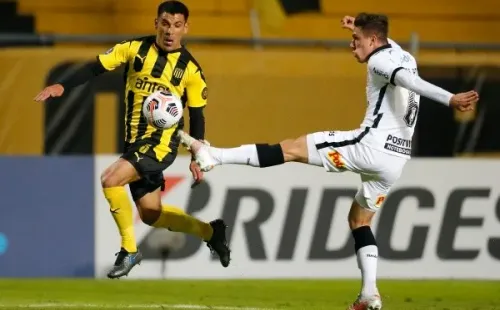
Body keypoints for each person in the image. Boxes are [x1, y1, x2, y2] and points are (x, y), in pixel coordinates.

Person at [177, 13, 478, 310]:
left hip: (368, 147)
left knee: (290, 149)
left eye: (356, 39)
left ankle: (213, 156)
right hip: (396, 160)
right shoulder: (404, 55)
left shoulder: (379, 60)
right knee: (359, 220)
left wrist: (449, 99)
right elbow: (400, 64)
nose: (352, 45)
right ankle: (369, 293)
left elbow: (407, 81)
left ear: (374, 40)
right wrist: (357, 27)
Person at [34, 0, 230, 279]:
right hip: (135, 143)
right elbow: (95, 68)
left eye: (176, 25)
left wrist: (198, 156)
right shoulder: (133, 49)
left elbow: (197, 116)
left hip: (161, 145)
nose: (170, 31)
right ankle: (211, 231)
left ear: (186, 28)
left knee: (110, 179)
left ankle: (129, 251)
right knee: (151, 213)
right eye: (165, 23)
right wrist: (61, 85)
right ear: (156, 24)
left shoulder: (190, 70)